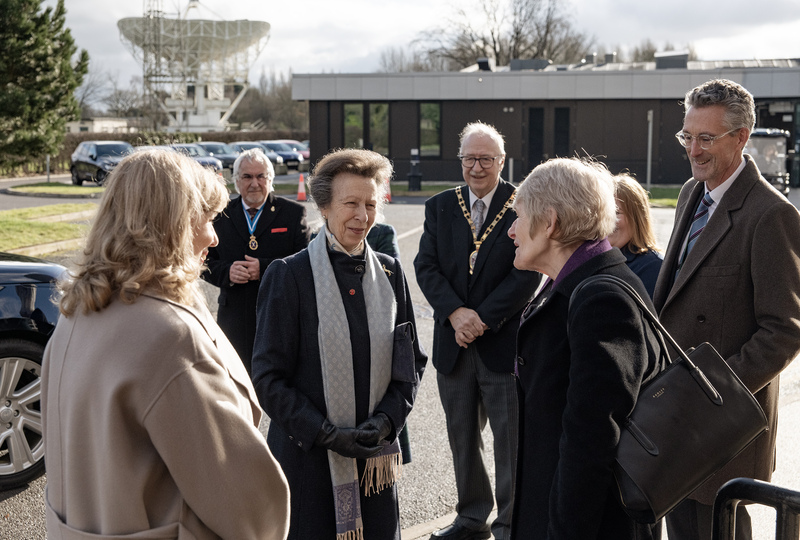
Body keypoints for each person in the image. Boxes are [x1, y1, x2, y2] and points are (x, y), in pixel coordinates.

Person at [41, 149, 290, 539]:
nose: (213, 236)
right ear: (173, 223)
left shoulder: (78, 313)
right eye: (207, 219)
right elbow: (251, 512)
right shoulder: (170, 337)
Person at [251, 148, 428, 540]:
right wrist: (326, 433)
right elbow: (267, 378)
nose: (362, 216)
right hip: (308, 460)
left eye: (370, 204)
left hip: (374, 460)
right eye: (351, 203)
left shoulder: (389, 271)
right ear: (324, 207)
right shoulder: (288, 276)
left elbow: (410, 361)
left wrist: (387, 421)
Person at [653, 78, 800, 540]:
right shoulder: (689, 195)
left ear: (740, 137)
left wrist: (712, 396)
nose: (693, 150)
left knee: (717, 530)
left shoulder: (771, 214)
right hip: (674, 415)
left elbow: (784, 331)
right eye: (687, 136)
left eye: (706, 138)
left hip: (722, 426)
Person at [508, 157, 664, 539]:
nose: (511, 230)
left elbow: (591, 439)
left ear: (549, 222)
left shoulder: (600, 296)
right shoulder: (585, 280)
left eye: (518, 215)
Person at [415, 121, 542, 540]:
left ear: (502, 162)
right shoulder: (440, 206)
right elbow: (426, 267)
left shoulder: (523, 203)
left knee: (510, 443)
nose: (476, 167)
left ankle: (509, 524)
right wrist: (455, 314)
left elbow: (526, 273)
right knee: (462, 439)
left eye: (486, 159)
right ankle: (472, 518)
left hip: (501, 344)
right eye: (469, 158)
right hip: (453, 343)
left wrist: (481, 318)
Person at [203, 148, 310, 373]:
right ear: (236, 181)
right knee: (236, 379)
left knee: (276, 381)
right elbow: (202, 261)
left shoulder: (292, 213)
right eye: (247, 176)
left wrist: (264, 268)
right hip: (234, 319)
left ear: (270, 180)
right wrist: (227, 272)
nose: (254, 183)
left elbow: (305, 261)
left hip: (278, 315)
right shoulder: (220, 214)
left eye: (261, 176)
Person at [608, 173, 663, 298]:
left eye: (616, 212)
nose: (606, 220)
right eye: (602, 212)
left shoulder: (652, 267)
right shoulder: (594, 260)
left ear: (637, 218)